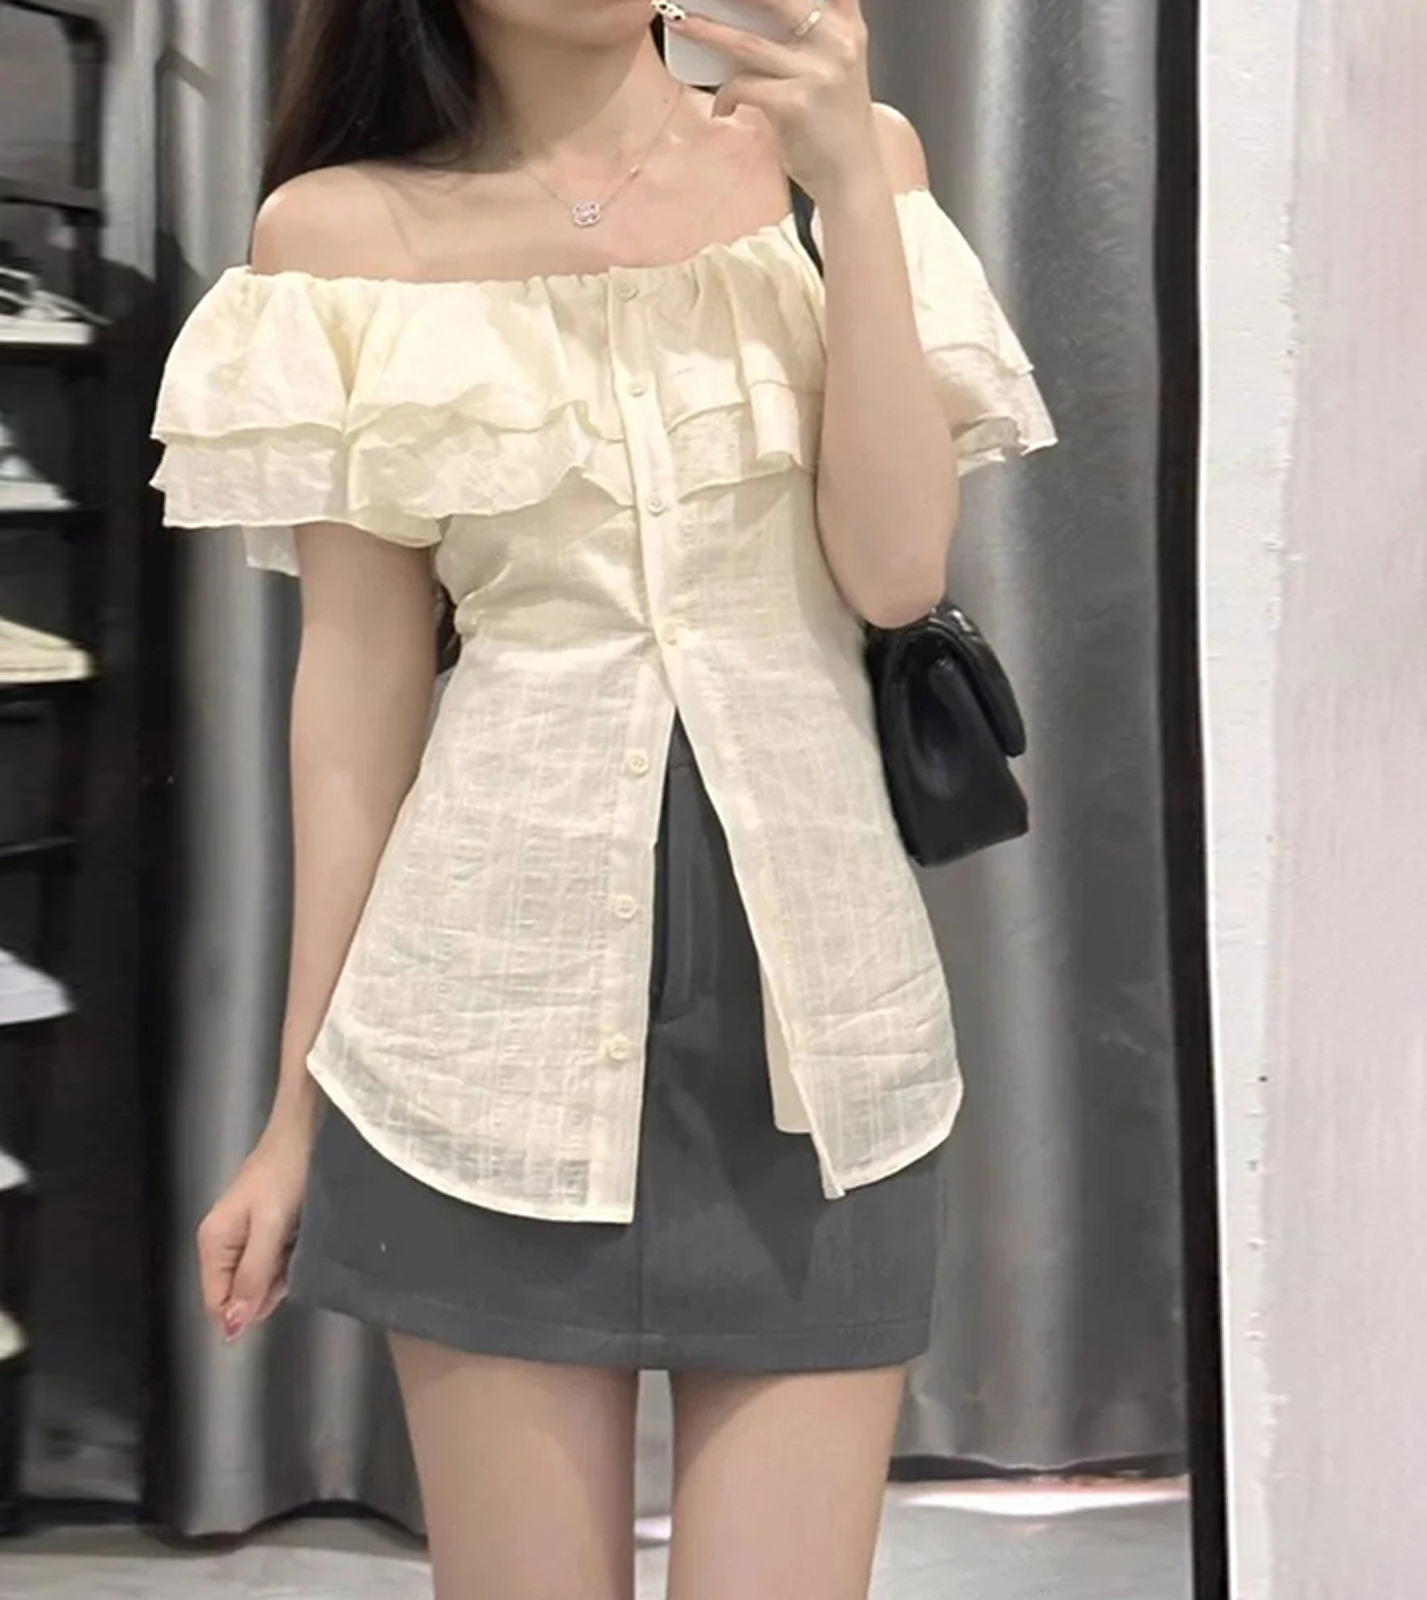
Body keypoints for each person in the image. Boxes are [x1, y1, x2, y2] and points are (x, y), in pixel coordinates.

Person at [151, 1, 1055, 1596]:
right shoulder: (339, 234)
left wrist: (851, 189)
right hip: (475, 1032)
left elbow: (895, 573)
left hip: (819, 1035)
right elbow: (356, 696)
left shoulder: (845, 163)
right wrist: (295, 1111)